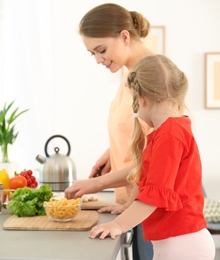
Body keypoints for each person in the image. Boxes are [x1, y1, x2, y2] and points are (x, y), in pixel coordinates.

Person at [89, 54, 216, 259]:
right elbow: (146, 182)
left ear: (141, 99)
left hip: (182, 245)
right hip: (179, 243)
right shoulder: (168, 131)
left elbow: (155, 196)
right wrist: (127, 207)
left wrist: (119, 225)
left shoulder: (170, 135)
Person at [64, 3, 154, 259]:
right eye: (92, 53)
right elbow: (138, 130)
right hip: (133, 202)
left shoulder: (149, 75)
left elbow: (154, 156)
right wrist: (111, 152)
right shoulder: (131, 72)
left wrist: (96, 183)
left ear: (124, 36)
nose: (98, 59)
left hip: (149, 208)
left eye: (101, 50)